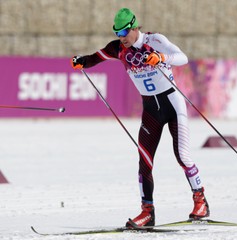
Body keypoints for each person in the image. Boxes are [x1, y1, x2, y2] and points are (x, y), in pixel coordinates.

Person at [71, 8, 210, 228]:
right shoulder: (117, 48)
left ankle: (200, 201)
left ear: (135, 27)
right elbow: (94, 58)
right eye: (117, 32)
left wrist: (161, 57)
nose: (122, 37)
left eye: (125, 31)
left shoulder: (155, 40)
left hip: (172, 104)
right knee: (144, 162)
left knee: (182, 156)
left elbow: (181, 57)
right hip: (150, 110)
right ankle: (147, 212)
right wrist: (81, 61)